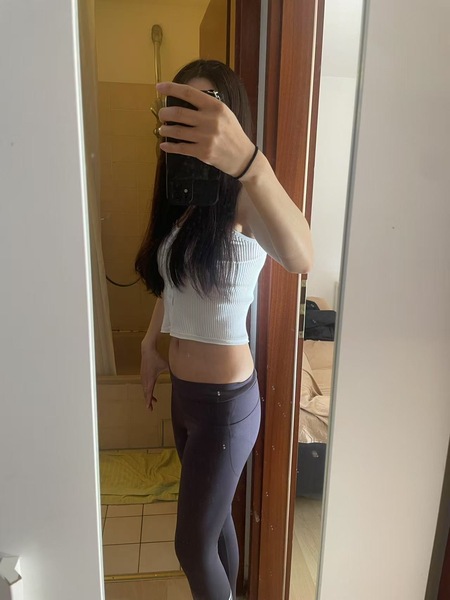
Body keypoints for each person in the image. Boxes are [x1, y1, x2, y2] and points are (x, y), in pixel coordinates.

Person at [135, 59, 313, 600]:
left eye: (208, 106)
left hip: (225, 405)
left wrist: (253, 165)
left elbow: (301, 256)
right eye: (182, 108)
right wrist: (149, 343)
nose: (195, 120)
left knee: (191, 547)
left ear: (231, 115)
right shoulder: (183, 199)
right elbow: (173, 285)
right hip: (185, 394)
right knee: (215, 529)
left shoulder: (244, 198)